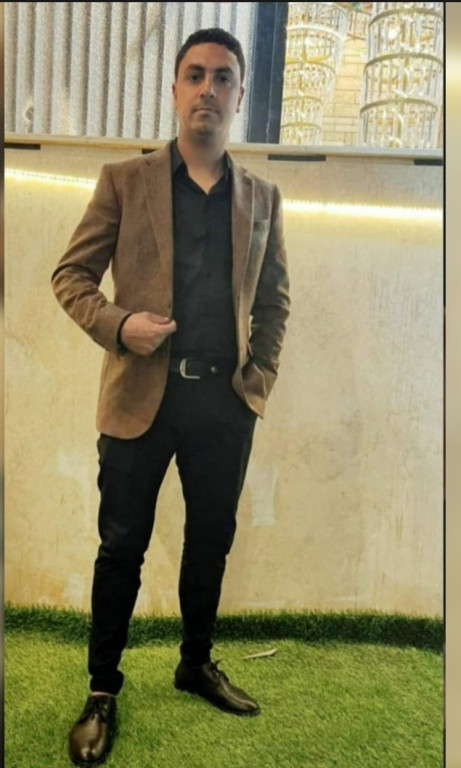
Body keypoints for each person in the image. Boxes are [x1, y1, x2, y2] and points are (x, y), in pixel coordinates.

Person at [52, 27, 290, 766]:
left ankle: (195, 663)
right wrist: (120, 325)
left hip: (224, 404)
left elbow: (274, 302)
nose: (208, 89)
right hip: (139, 398)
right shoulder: (124, 181)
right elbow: (71, 277)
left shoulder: (262, 197)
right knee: (121, 546)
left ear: (240, 96)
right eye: (195, 75)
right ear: (175, 89)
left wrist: (256, 384)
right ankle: (102, 690)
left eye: (223, 77)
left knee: (210, 542)